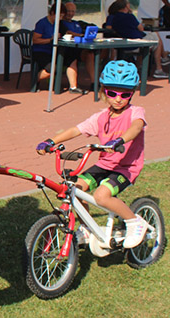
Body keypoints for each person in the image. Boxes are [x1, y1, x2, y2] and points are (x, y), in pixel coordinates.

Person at [36, 60, 150, 249]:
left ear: (132, 94)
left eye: (125, 94)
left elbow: (136, 127)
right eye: (112, 93)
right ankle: (88, 229)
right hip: (105, 165)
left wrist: (120, 140)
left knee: (101, 196)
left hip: (126, 168)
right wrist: (51, 141)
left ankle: (134, 222)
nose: (118, 98)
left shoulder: (135, 112)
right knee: (74, 189)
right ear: (104, 91)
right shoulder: (101, 117)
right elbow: (76, 130)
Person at [105, 0, 168, 78]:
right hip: (136, 43)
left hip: (124, 44)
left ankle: (160, 58)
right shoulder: (130, 17)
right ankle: (159, 67)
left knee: (151, 38)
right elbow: (141, 28)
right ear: (125, 7)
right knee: (156, 37)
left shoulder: (114, 18)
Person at [32, 3, 85, 94]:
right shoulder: (42, 23)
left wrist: (78, 35)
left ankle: (73, 87)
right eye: (59, 16)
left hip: (55, 50)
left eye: (62, 16)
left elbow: (67, 32)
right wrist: (50, 40)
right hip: (41, 51)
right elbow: (35, 40)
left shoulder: (59, 23)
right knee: (53, 69)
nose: (60, 18)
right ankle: (34, 79)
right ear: (52, 13)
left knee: (72, 58)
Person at [62, 2, 98, 82]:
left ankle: (94, 83)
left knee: (90, 54)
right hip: (66, 50)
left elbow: (93, 26)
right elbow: (68, 32)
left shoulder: (77, 23)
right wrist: (80, 35)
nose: (71, 13)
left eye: (73, 11)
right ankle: (73, 86)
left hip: (80, 48)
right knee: (73, 57)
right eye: (68, 11)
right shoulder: (60, 23)